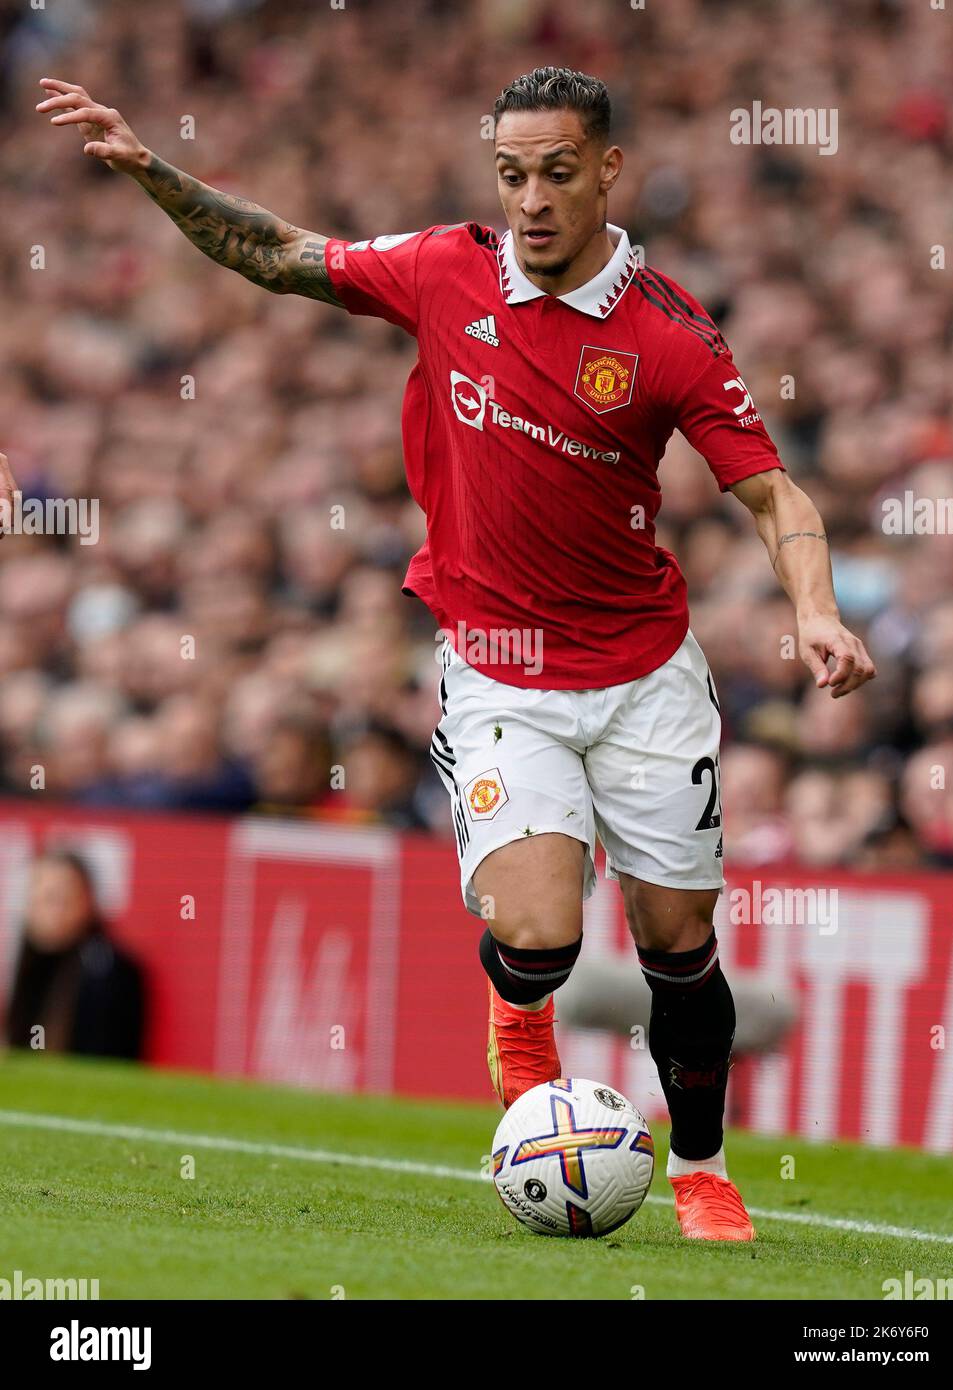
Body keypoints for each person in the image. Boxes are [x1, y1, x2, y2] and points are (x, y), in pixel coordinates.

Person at [36, 65, 876, 1241]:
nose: (531, 199)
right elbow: (281, 253)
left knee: (679, 945)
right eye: (512, 174)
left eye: (557, 174)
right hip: (496, 668)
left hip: (642, 677)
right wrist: (147, 167)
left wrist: (817, 608)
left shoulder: (669, 335)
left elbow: (775, 496)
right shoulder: (445, 269)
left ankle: (701, 1169)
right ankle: (521, 1028)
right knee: (539, 934)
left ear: (607, 173)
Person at [4, 850, 144, 1060]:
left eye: (61, 899)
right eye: (43, 898)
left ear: (87, 902)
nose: (53, 912)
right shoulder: (21, 961)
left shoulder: (108, 972)